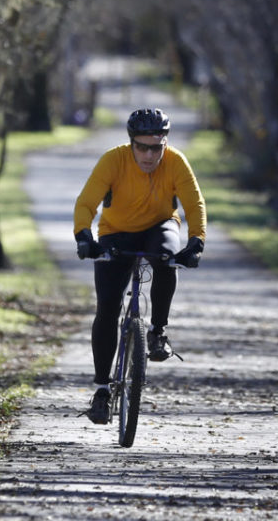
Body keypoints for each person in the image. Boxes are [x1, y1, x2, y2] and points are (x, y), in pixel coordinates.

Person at [73, 107, 206, 424]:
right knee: (106, 306)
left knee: (166, 257)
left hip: (159, 226)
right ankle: (103, 390)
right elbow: (87, 202)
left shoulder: (175, 162)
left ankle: (158, 331)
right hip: (115, 232)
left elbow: (194, 203)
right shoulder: (113, 160)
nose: (149, 155)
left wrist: (196, 242)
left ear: (165, 143)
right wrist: (83, 237)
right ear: (131, 143)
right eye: (142, 147)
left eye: (156, 147)